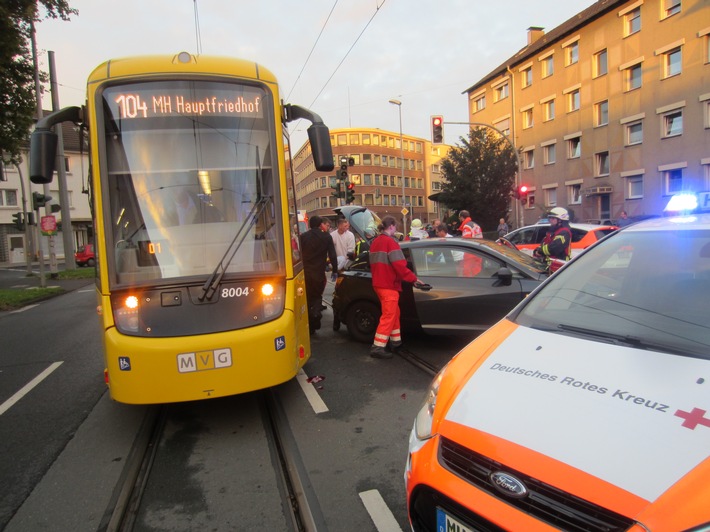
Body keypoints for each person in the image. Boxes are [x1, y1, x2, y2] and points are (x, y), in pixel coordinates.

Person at [369, 216, 424, 359]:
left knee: (394, 313)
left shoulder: (375, 242)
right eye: (396, 227)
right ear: (391, 226)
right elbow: (400, 265)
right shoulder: (391, 243)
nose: (396, 230)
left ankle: (396, 342)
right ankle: (378, 347)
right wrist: (414, 279)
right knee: (389, 315)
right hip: (389, 285)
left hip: (379, 284)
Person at [300, 215, 337, 334]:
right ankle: (315, 315)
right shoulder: (326, 236)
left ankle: (309, 323)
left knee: (307, 298)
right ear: (320, 224)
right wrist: (335, 270)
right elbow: (332, 255)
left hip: (305, 272)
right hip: (318, 273)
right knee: (316, 297)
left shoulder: (303, 237)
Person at [458, 210, 483, 276]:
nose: (459, 219)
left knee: (467, 272)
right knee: (476, 272)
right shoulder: (476, 225)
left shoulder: (466, 227)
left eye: (459, 218)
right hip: (479, 251)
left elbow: (466, 241)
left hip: (470, 253)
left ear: (462, 217)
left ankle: (468, 285)